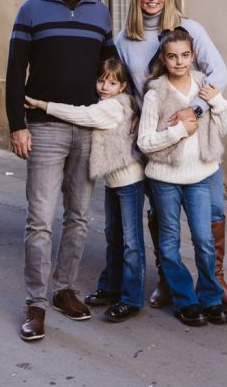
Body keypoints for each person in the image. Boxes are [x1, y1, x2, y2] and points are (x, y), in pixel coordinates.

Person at [114, 0, 227, 310]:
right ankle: (166, 279)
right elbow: (123, 86)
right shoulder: (124, 40)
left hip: (198, 141)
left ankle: (216, 282)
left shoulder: (189, 29)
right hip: (158, 141)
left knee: (213, 212)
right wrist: (131, 111)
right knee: (162, 214)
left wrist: (197, 111)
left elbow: (220, 74)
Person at [5, 0, 117, 342]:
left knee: (80, 217)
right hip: (44, 129)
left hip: (87, 127)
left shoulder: (100, 12)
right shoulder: (32, 10)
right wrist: (17, 124)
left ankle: (63, 289)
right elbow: (15, 70)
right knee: (39, 220)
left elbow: (110, 70)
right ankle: (35, 303)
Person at [24, 57, 145, 324]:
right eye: (101, 80)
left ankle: (131, 297)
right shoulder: (111, 102)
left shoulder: (112, 107)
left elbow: (83, 115)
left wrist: (43, 105)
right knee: (114, 236)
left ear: (122, 86)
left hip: (129, 180)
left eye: (111, 83)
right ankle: (111, 286)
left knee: (131, 242)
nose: (104, 86)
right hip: (114, 180)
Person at [137, 26, 227, 326]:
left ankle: (211, 297)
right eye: (172, 57)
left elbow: (224, 127)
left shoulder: (204, 86)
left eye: (185, 56)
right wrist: (178, 132)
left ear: (193, 56)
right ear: (164, 60)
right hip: (164, 178)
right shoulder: (155, 94)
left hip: (201, 175)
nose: (179, 62)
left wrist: (216, 102)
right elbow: (144, 142)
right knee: (168, 241)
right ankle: (184, 299)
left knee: (204, 239)